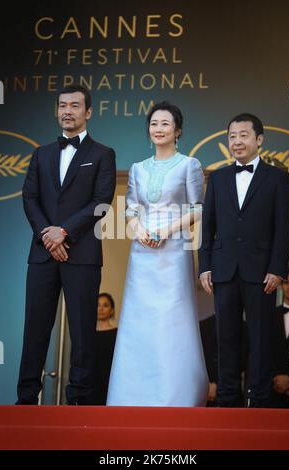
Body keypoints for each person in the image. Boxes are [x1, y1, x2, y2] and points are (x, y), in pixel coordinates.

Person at [17, 85, 116, 405]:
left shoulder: (103, 154)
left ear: (88, 112)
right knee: (35, 328)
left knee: (84, 332)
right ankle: (26, 398)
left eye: (75, 105)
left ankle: (79, 401)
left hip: (83, 254)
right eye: (62, 105)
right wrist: (49, 234)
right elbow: (29, 198)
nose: (68, 111)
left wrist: (65, 232)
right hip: (43, 254)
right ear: (57, 111)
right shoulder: (40, 153)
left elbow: (102, 201)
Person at [107, 101, 208, 407]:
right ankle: (130, 397)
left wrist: (167, 231)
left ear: (177, 130)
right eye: (154, 124)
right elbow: (132, 208)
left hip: (174, 250)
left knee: (172, 319)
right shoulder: (137, 168)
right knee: (139, 320)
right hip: (143, 252)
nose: (159, 129)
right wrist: (138, 230)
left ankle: (177, 397)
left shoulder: (189, 165)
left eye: (165, 124)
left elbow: (198, 207)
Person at [199, 113, 289, 408]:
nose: (237, 141)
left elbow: (284, 228)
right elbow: (208, 226)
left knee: (261, 339)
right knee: (226, 339)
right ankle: (228, 401)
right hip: (224, 270)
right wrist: (205, 266)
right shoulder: (218, 178)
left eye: (243, 135)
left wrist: (277, 269)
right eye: (232, 136)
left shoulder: (278, 177)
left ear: (259, 140)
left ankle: (260, 401)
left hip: (262, 274)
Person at [270, 267, 289, 408]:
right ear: (281, 286)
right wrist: (276, 378)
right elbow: (266, 350)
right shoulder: (270, 316)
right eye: (287, 282)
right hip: (272, 389)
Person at [91, 293, 117, 405]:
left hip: (111, 381)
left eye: (105, 305)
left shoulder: (118, 334)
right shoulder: (87, 334)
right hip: (90, 382)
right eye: (98, 305)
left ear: (111, 310)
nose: (101, 308)